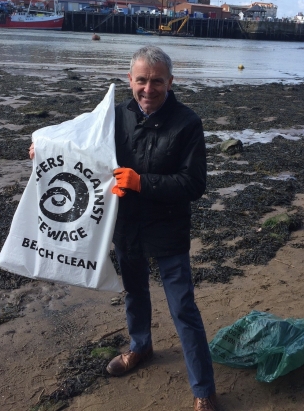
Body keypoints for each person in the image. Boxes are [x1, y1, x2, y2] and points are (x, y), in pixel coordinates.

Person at [29, 46, 220, 411]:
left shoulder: (187, 123)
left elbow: (194, 185)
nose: (149, 89)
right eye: (142, 80)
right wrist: (44, 149)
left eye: (158, 81)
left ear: (171, 82)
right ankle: (140, 347)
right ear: (129, 80)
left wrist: (141, 182)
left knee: (183, 309)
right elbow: (80, 145)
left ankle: (203, 390)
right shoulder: (115, 117)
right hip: (125, 225)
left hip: (168, 228)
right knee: (134, 294)